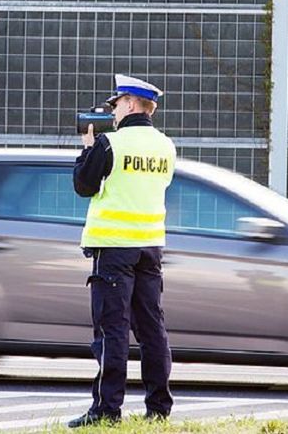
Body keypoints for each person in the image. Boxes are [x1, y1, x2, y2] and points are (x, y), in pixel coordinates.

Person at [68, 74, 176, 427]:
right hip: (150, 247)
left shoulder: (111, 144)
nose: (112, 113)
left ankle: (106, 410)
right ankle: (159, 409)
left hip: (113, 248)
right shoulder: (166, 147)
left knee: (112, 330)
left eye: (115, 105)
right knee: (152, 329)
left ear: (130, 103)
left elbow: (84, 186)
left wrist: (87, 147)